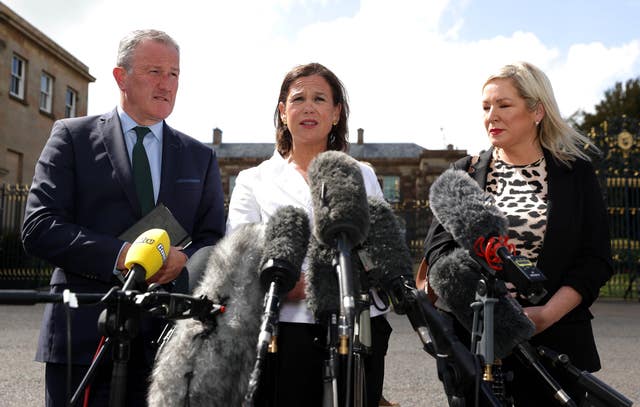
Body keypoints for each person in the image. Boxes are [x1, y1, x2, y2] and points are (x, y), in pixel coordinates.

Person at [21, 29, 225, 406]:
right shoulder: (71, 138)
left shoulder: (200, 157)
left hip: (169, 347)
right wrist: (123, 255)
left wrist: (183, 262)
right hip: (85, 337)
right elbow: (39, 226)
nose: (166, 84)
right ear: (121, 77)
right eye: (154, 72)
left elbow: (213, 238)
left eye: (174, 74)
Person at [424, 61, 613, 406]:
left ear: (537, 110)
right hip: (475, 347)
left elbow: (596, 259)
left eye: (504, 105)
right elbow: (436, 256)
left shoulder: (576, 174)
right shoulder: (463, 175)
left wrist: (546, 314)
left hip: (555, 344)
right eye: (486, 107)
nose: (491, 116)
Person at [226, 62, 392, 407]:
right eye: (298, 98)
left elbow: (382, 247)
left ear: (336, 113)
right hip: (283, 331)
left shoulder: (361, 175)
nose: (309, 107)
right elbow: (241, 259)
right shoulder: (253, 181)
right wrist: (288, 284)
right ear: (283, 112)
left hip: (358, 328)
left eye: (320, 98)